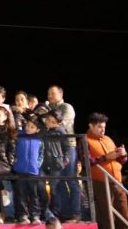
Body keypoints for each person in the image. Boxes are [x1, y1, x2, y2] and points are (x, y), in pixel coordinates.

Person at [83, 112, 128, 229]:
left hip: (117, 182)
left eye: (104, 127)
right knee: (106, 215)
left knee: (123, 213)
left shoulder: (108, 139)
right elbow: (86, 162)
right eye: (99, 127)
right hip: (101, 183)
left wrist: (123, 154)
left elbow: (121, 160)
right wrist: (106, 157)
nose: (103, 130)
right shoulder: (85, 140)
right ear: (91, 126)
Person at [47, 85, 81, 223]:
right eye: (48, 93)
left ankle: (76, 213)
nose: (50, 95)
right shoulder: (49, 109)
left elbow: (63, 125)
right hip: (54, 150)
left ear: (61, 94)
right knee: (58, 182)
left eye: (53, 93)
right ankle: (64, 212)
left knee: (71, 180)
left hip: (68, 147)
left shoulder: (67, 107)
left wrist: (49, 123)